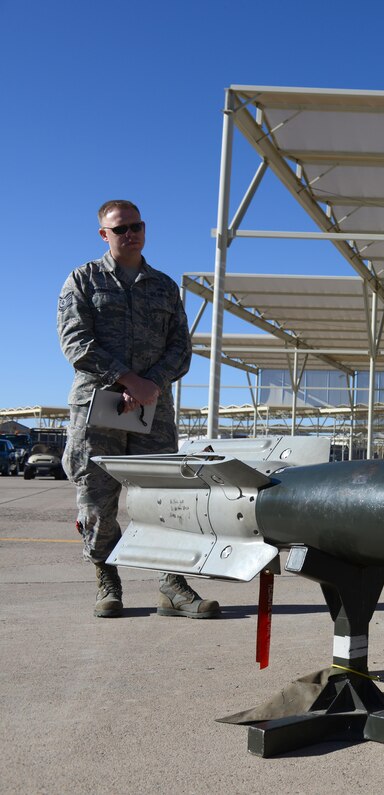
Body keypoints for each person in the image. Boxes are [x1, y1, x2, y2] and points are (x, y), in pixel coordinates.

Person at [58, 200, 219, 619]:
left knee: (165, 500)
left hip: (152, 409)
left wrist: (152, 384)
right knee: (96, 499)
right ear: (104, 235)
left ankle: (171, 584)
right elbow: (76, 342)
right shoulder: (83, 280)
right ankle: (107, 581)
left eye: (137, 226)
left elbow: (181, 348)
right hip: (98, 407)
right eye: (121, 228)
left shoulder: (164, 287)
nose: (130, 233)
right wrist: (128, 380)